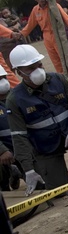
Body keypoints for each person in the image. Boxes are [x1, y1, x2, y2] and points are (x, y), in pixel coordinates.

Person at [6, 44, 68, 194]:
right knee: (60, 191)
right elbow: (19, 137)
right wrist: (29, 170)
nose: (37, 71)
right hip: (45, 147)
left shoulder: (59, 79)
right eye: (30, 68)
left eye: (39, 65)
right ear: (19, 72)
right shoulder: (15, 99)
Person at [19, 0, 68, 88]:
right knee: (57, 63)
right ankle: (66, 84)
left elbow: (65, 17)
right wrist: (21, 34)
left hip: (57, 35)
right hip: (46, 37)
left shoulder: (54, 6)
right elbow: (30, 25)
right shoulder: (35, 10)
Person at [0, 64, 24, 192]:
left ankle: (16, 171)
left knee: (46, 187)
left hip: (23, 149)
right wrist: (2, 151)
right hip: (4, 154)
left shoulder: (17, 96)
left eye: (3, 77)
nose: (3, 82)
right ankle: (5, 178)